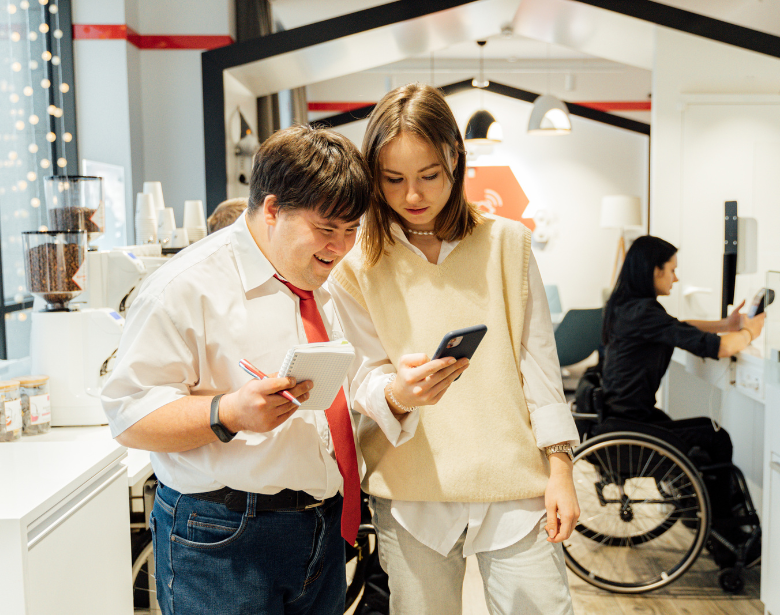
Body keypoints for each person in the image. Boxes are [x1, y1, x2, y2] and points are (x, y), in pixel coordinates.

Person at [102, 124, 378, 615]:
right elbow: (129, 416)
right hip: (223, 538)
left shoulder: (322, 278)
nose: (340, 247)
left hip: (321, 528)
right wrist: (228, 412)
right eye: (327, 228)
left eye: (352, 230)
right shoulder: (185, 287)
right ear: (272, 209)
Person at [331, 83, 580, 615]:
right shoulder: (356, 264)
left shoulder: (509, 244)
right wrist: (396, 392)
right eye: (393, 180)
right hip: (411, 488)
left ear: (455, 161)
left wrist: (561, 469)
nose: (412, 195)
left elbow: (539, 366)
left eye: (429, 176)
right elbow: (360, 375)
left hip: (516, 483)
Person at [600, 234, 765, 521]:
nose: (675, 279)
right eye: (672, 270)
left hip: (619, 414)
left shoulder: (625, 306)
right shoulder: (645, 312)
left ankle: (711, 520)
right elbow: (723, 347)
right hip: (633, 421)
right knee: (716, 439)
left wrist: (726, 324)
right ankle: (724, 530)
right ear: (655, 270)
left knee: (707, 432)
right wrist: (750, 331)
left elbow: (676, 326)